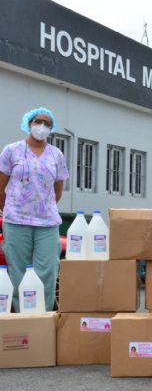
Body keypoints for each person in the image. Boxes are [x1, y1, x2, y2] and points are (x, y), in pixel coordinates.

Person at [0, 107, 69, 312]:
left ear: (51, 128)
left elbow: (57, 192)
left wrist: (42, 206)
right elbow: (0, 185)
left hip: (46, 222)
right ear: (29, 123)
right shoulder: (11, 150)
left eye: (47, 124)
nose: (42, 126)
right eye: (38, 121)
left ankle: (44, 315)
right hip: (16, 220)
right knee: (18, 270)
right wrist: (11, 207)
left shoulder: (56, 155)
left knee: (47, 269)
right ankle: (23, 316)